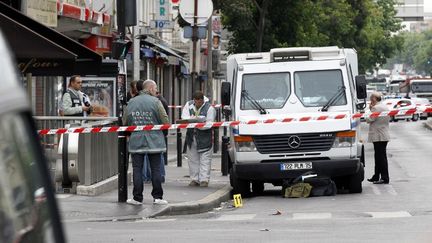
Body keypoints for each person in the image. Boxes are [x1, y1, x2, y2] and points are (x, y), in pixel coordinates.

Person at [126, 79, 169, 205]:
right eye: (155, 89)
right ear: (150, 88)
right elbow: (165, 121)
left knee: (137, 169)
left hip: (136, 140)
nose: (156, 91)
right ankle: (158, 197)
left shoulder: (132, 102)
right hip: (155, 140)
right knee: (155, 169)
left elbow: (126, 120)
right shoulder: (156, 102)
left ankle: (137, 198)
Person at [181, 91, 216, 187]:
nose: (197, 104)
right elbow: (184, 117)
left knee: (205, 158)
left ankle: (204, 179)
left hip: (205, 137)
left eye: (199, 102)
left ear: (202, 100)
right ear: (194, 100)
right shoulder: (189, 105)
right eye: (196, 102)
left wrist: (197, 125)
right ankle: (194, 179)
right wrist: (193, 121)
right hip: (191, 137)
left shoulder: (209, 108)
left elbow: (209, 124)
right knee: (192, 159)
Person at [366, 92, 390, 184]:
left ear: (374, 99)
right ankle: (376, 176)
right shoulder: (385, 106)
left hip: (378, 135)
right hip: (384, 134)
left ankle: (384, 177)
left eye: (371, 98)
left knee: (380, 157)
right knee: (380, 156)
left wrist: (370, 109)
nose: (371, 100)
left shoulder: (376, 108)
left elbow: (369, 119)